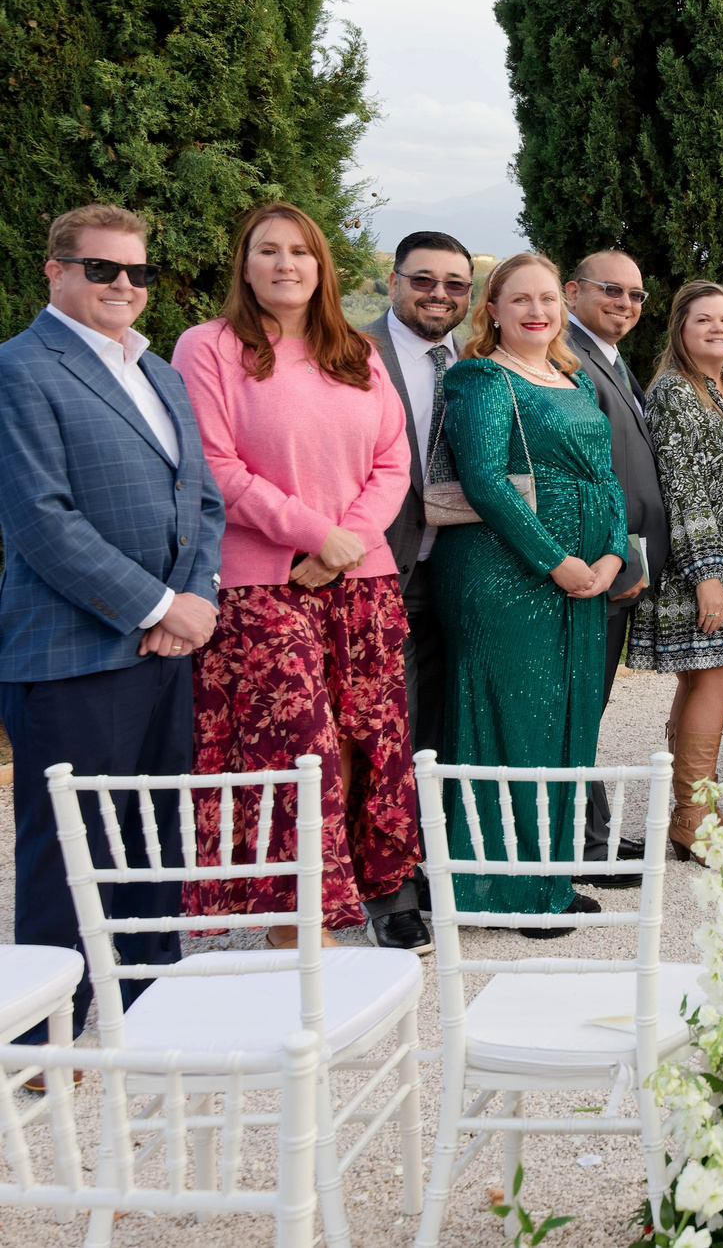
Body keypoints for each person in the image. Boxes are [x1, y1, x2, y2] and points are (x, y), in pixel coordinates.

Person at [0, 205, 223, 1036]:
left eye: (138, 272)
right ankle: (44, 1030)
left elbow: (201, 496)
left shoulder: (157, 370)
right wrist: (161, 605)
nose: (123, 286)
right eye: (102, 269)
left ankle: (145, 999)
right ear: (55, 271)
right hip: (72, 653)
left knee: (154, 832)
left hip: (167, 647)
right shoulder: (21, 369)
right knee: (68, 848)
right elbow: (41, 520)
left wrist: (191, 601)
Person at [172, 203, 420, 944]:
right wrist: (315, 535)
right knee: (296, 750)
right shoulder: (209, 347)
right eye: (268, 251)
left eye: (301, 252)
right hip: (260, 584)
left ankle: (348, 914)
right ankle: (296, 936)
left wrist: (347, 541)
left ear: (322, 268)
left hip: (363, 579)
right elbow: (216, 466)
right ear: (244, 266)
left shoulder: (356, 351)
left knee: (361, 748)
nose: (286, 264)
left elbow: (394, 459)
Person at [431, 253, 626, 932]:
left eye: (547, 298)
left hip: (583, 578)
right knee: (513, 725)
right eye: (520, 300)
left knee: (567, 722)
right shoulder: (480, 378)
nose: (536, 311)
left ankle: (549, 877)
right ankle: (500, 888)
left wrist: (611, 552)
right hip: (506, 578)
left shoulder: (573, 377)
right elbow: (483, 480)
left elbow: (606, 477)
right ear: (493, 309)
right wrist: (555, 561)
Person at [359, 229, 472, 952]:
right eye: (424, 280)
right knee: (384, 735)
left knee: (436, 730)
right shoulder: (353, 353)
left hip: (455, 570)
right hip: (377, 566)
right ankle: (389, 895)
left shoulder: (473, 363)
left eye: (455, 285)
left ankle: (425, 861)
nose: (438, 294)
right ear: (395, 281)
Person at [628, 281, 723, 851]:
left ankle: (697, 812)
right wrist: (706, 574)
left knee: (704, 675)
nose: (717, 329)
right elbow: (683, 490)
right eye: (704, 320)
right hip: (698, 565)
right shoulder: (676, 395)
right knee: (721, 674)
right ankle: (693, 816)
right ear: (680, 330)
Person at [561, 249, 677, 858]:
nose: (626, 304)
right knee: (577, 707)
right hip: (598, 569)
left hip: (620, 570)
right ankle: (582, 838)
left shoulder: (610, 359)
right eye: (612, 290)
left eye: (636, 295)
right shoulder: (569, 358)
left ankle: (588, 830)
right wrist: (625, 558)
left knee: (587, 707)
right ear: (573, 290)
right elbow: (588, 477)